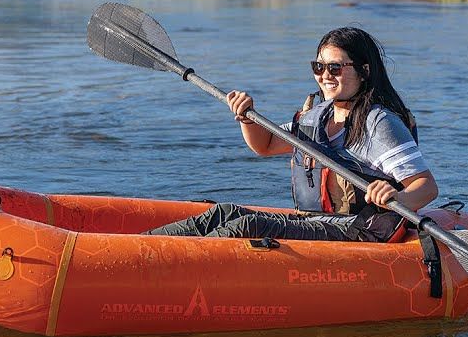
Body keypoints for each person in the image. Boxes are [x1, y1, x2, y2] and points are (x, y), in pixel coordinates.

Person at [144, 27, 438, 242]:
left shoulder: (379, 123)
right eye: (319, 67)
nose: (325, 75)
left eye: (335, 67)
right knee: (222, 213)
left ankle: (167, 265)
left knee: (247, 226)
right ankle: (139, 247)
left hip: (356, 229)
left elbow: (426, 187)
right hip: (314, 221)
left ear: (364, 71)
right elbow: (266, 145)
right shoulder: (317, 116)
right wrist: (246, 117)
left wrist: (396, 194)